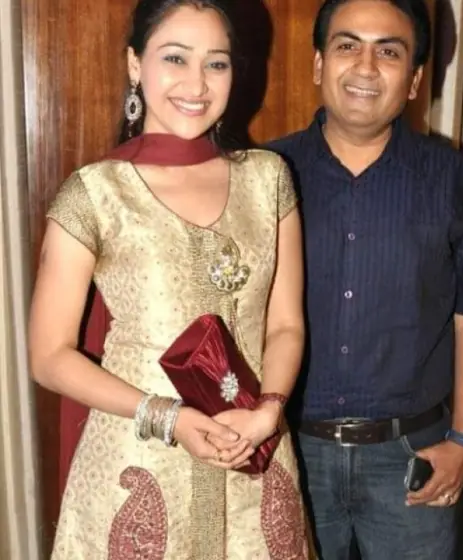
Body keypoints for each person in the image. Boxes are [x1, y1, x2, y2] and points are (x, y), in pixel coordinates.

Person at [28, 1, 311, 557]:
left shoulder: (269, 180)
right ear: (135, 64)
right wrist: (169, 418)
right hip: (139, 454)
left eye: (216, 63)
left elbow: (285, 324)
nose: (197, 84)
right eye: (175, 58)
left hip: (253, 449)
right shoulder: (96, 194)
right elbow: (48, 356)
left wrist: (269, 410)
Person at [267, 1, 463, 559]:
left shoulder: (455, 180)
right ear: (319, 63)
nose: (365, 66)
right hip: (289, 451)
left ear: (414, 79)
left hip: (412, 460)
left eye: (388, 51)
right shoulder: (264, 174)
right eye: (347, 45)